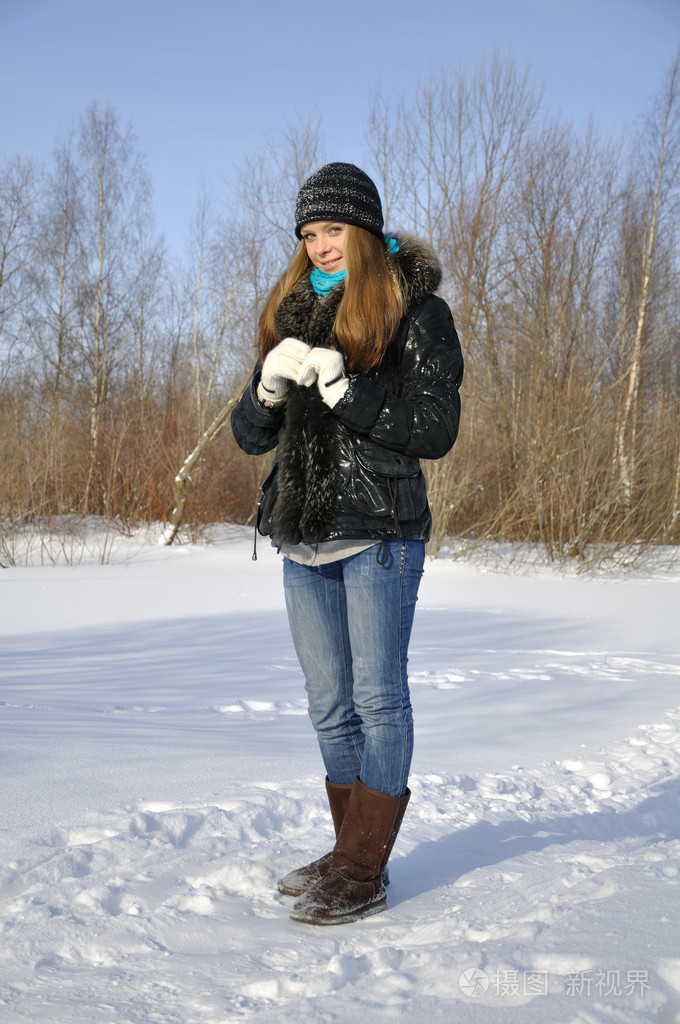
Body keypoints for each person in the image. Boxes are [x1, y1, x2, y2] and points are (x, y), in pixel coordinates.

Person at [231, 162, 463, 925]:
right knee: (331, 708)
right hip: (303, 539)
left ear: (363, 229)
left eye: (332, 229)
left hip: (380, 534)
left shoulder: (415, 309)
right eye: (307, 232)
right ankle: (346, 854)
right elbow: (249, 435)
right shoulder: (293, 309)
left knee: (378, 701)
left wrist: (347, 391)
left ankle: (364, 872)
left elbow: (435, 429)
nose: (319, 244)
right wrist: (267, 391)